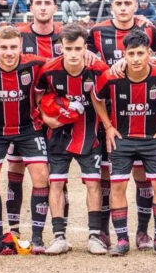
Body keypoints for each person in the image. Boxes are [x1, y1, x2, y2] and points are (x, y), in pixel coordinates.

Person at [87, 0, 156, 250]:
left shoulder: (149, 29)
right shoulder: (97, 32)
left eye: (128, 3)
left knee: (145, 177)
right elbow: (80, 54)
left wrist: (149, 68)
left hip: (146, 114)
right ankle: (105, 233)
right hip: (110, 116)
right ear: (112, 6)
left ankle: (144, 233)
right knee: (108, 177)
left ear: (136, 5)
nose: (123, 8)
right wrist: (107, 69)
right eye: (118, 3)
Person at [0, 25, 50, 255]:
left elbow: (61, 66)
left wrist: (87, 55)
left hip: (28, 127)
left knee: (41, 175)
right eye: (3, 47)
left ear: (21, 46)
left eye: (13, 47)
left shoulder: (36, 63)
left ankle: (37, 237)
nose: (8, 52)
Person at [35, 24, 110, 255]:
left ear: (85, 47)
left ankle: (95, 237)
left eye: (78, 48)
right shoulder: (48, 70)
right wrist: (46, 117)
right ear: (61, 47)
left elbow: (109, 99)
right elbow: (38, 98)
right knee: (56, 183)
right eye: (69, 48)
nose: (74, 54)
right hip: (58, 135)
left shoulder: (98, 69)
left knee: (93, 183)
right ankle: (59, 237)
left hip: (90, 134)